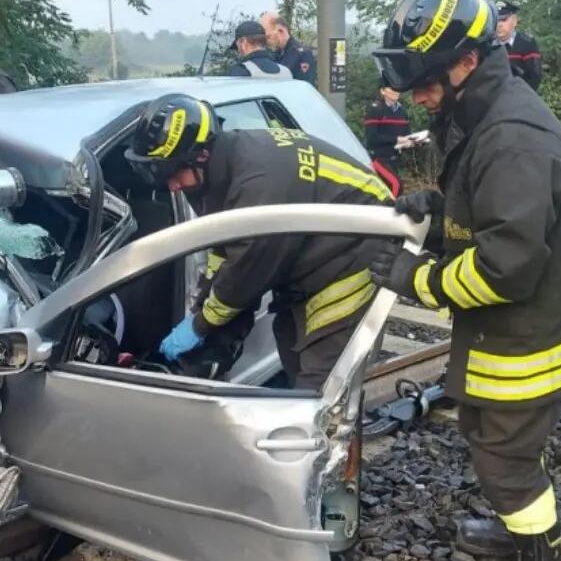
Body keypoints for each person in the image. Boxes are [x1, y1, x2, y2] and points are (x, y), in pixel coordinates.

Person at [371, 0, 561, 561]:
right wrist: (444, 205)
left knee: (504, 457)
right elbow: (497, 206)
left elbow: (507, 263)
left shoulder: (512, 133)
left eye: (425, 80)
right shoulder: (483, 111)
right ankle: (520, 527)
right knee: (488, 433)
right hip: (514, 326)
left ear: (467, 61)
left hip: (533, 334)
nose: (418, 96)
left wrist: (419, 280)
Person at [124, 94, 389, 390]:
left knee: (322, 386)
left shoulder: (257, 186)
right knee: (290, 344)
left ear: (200, 155)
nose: (172, 186)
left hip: (359, 250)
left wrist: (200, 326)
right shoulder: (215, 172)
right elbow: (223, 249)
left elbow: (245, 275)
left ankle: (330, 430)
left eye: (173, 174)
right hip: (309, 250)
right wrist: (203, 306)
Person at [363, 84, 411, 196]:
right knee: (396, 186)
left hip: (395, 158)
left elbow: (406, 134)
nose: (395, 91)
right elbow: (372, 138)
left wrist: (410, 142)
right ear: (383, 91)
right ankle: (390, 211)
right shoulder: (375, 110)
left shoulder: (403, 111)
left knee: (386, 189)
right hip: (379, 158)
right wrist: (397, 140)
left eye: (397, 88)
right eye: (391, 88)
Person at [495, 1, 543, 92]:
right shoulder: (488, 43)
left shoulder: (527, 44)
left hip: (518, 97)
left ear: (514, 21)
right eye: (497, 20)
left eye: (504, 20)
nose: (499, 25)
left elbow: (534, 78)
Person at [260, 12, 318, 85]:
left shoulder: (302, 55)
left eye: (268, 37)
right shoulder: (273, 55)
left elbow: (305, 88)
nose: (266, 41)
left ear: (280, 31)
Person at [226, 21, 293, 79]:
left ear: (244, 42)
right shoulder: (286, 72)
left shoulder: (240, 71)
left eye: (238, 46)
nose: (239, 51)